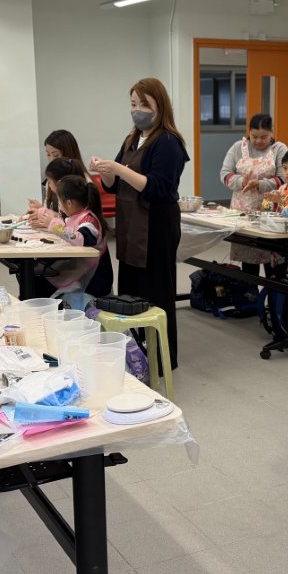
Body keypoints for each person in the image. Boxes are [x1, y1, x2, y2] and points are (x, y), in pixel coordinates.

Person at [90, 78, 188, 369]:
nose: (137, 110)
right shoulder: (132, 139)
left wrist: (119, 169)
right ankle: (136, 355)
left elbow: (158, 187)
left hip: (157, 226)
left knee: (156, 293)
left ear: (160, 106)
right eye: (133, 104)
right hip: (132, 227)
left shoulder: (168, 142)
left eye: (144, 104)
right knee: (131, 292)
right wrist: (105, 170)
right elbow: (112, 185)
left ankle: (161, 360)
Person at [26, 174, 114, 298]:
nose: (59, 205)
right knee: (36, 277)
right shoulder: (78, 215)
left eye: (59, 201)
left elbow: (78, 239)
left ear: (68, 203)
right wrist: (47, 219)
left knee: (38, 284)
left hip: (92, 278)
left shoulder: (89, 221)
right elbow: (64, 224)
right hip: (78, 268)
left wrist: (53, 224)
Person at [222, 113, 287, 271]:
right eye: (254, 136)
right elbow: (225, 174)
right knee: (249, 264)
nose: (258, 141)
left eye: (263, 137)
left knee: (273, 263)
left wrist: (259, 184)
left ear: (271, 132)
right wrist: (242, 181)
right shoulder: (238, 147)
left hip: (271, 214)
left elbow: (284, 179)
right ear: (249, 132)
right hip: (243, 213)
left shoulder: (279, 149)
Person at [42, 130, 87, 210]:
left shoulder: (83, 182)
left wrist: (52, 215)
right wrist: (40, 210)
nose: (51, 159)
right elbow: (49, 208)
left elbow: (78, 215)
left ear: (68, 153)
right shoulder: (50, 180)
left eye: (56, 155)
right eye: (48, 154)